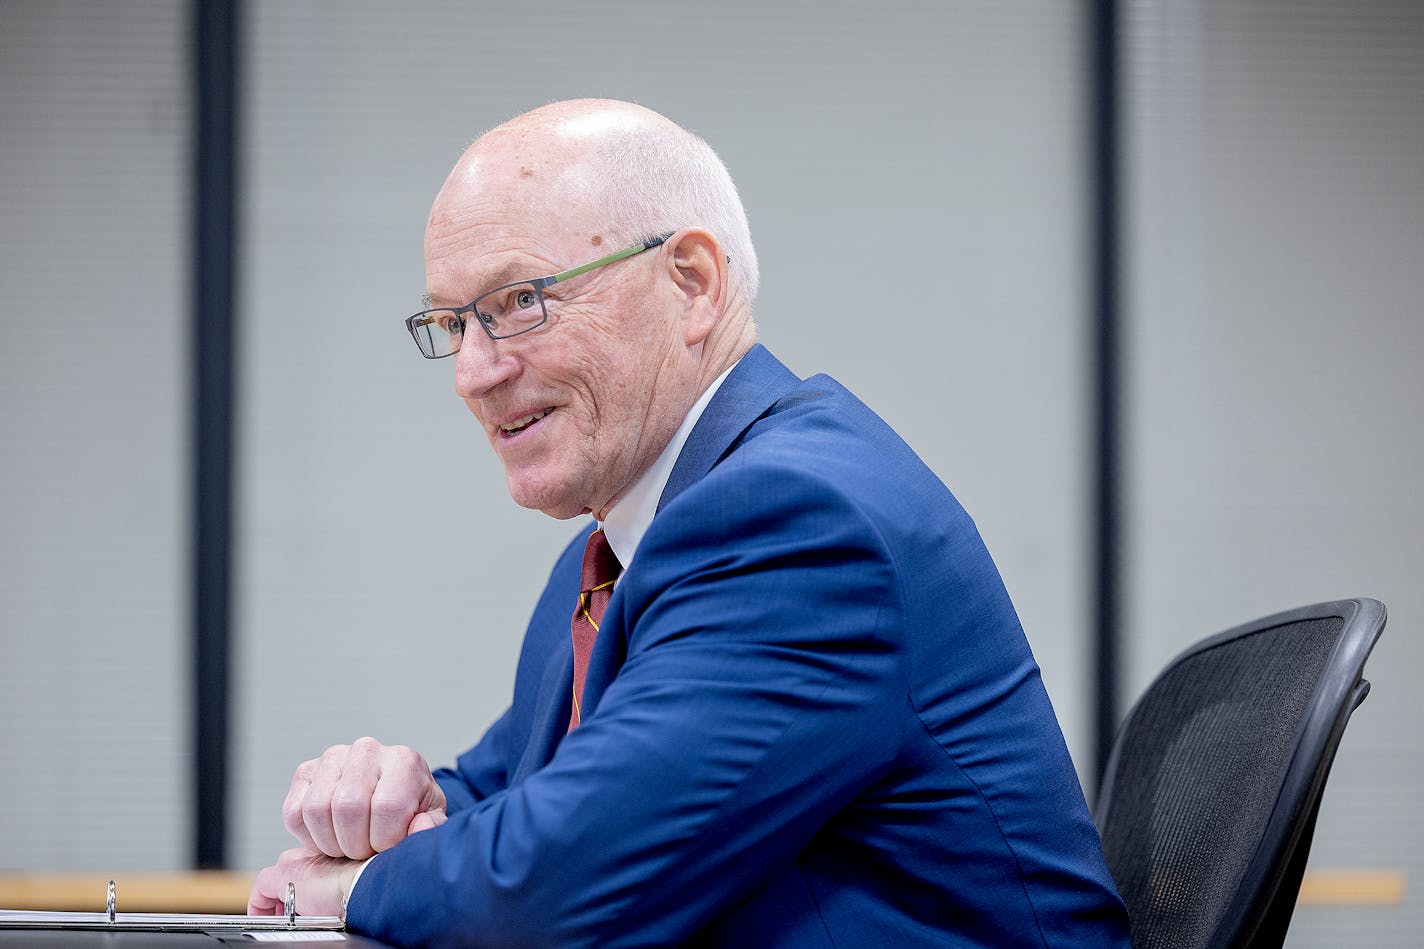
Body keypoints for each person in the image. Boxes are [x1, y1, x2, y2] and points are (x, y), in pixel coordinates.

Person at [249, 99, 1130, 947]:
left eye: (519, 301)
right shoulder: (614, 554)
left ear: (694, 284)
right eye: (453, 322)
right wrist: (391, 803)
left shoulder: (796, 525)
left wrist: (352, 888)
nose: (472, 372)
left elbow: (553, 885)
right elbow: (511, 799)